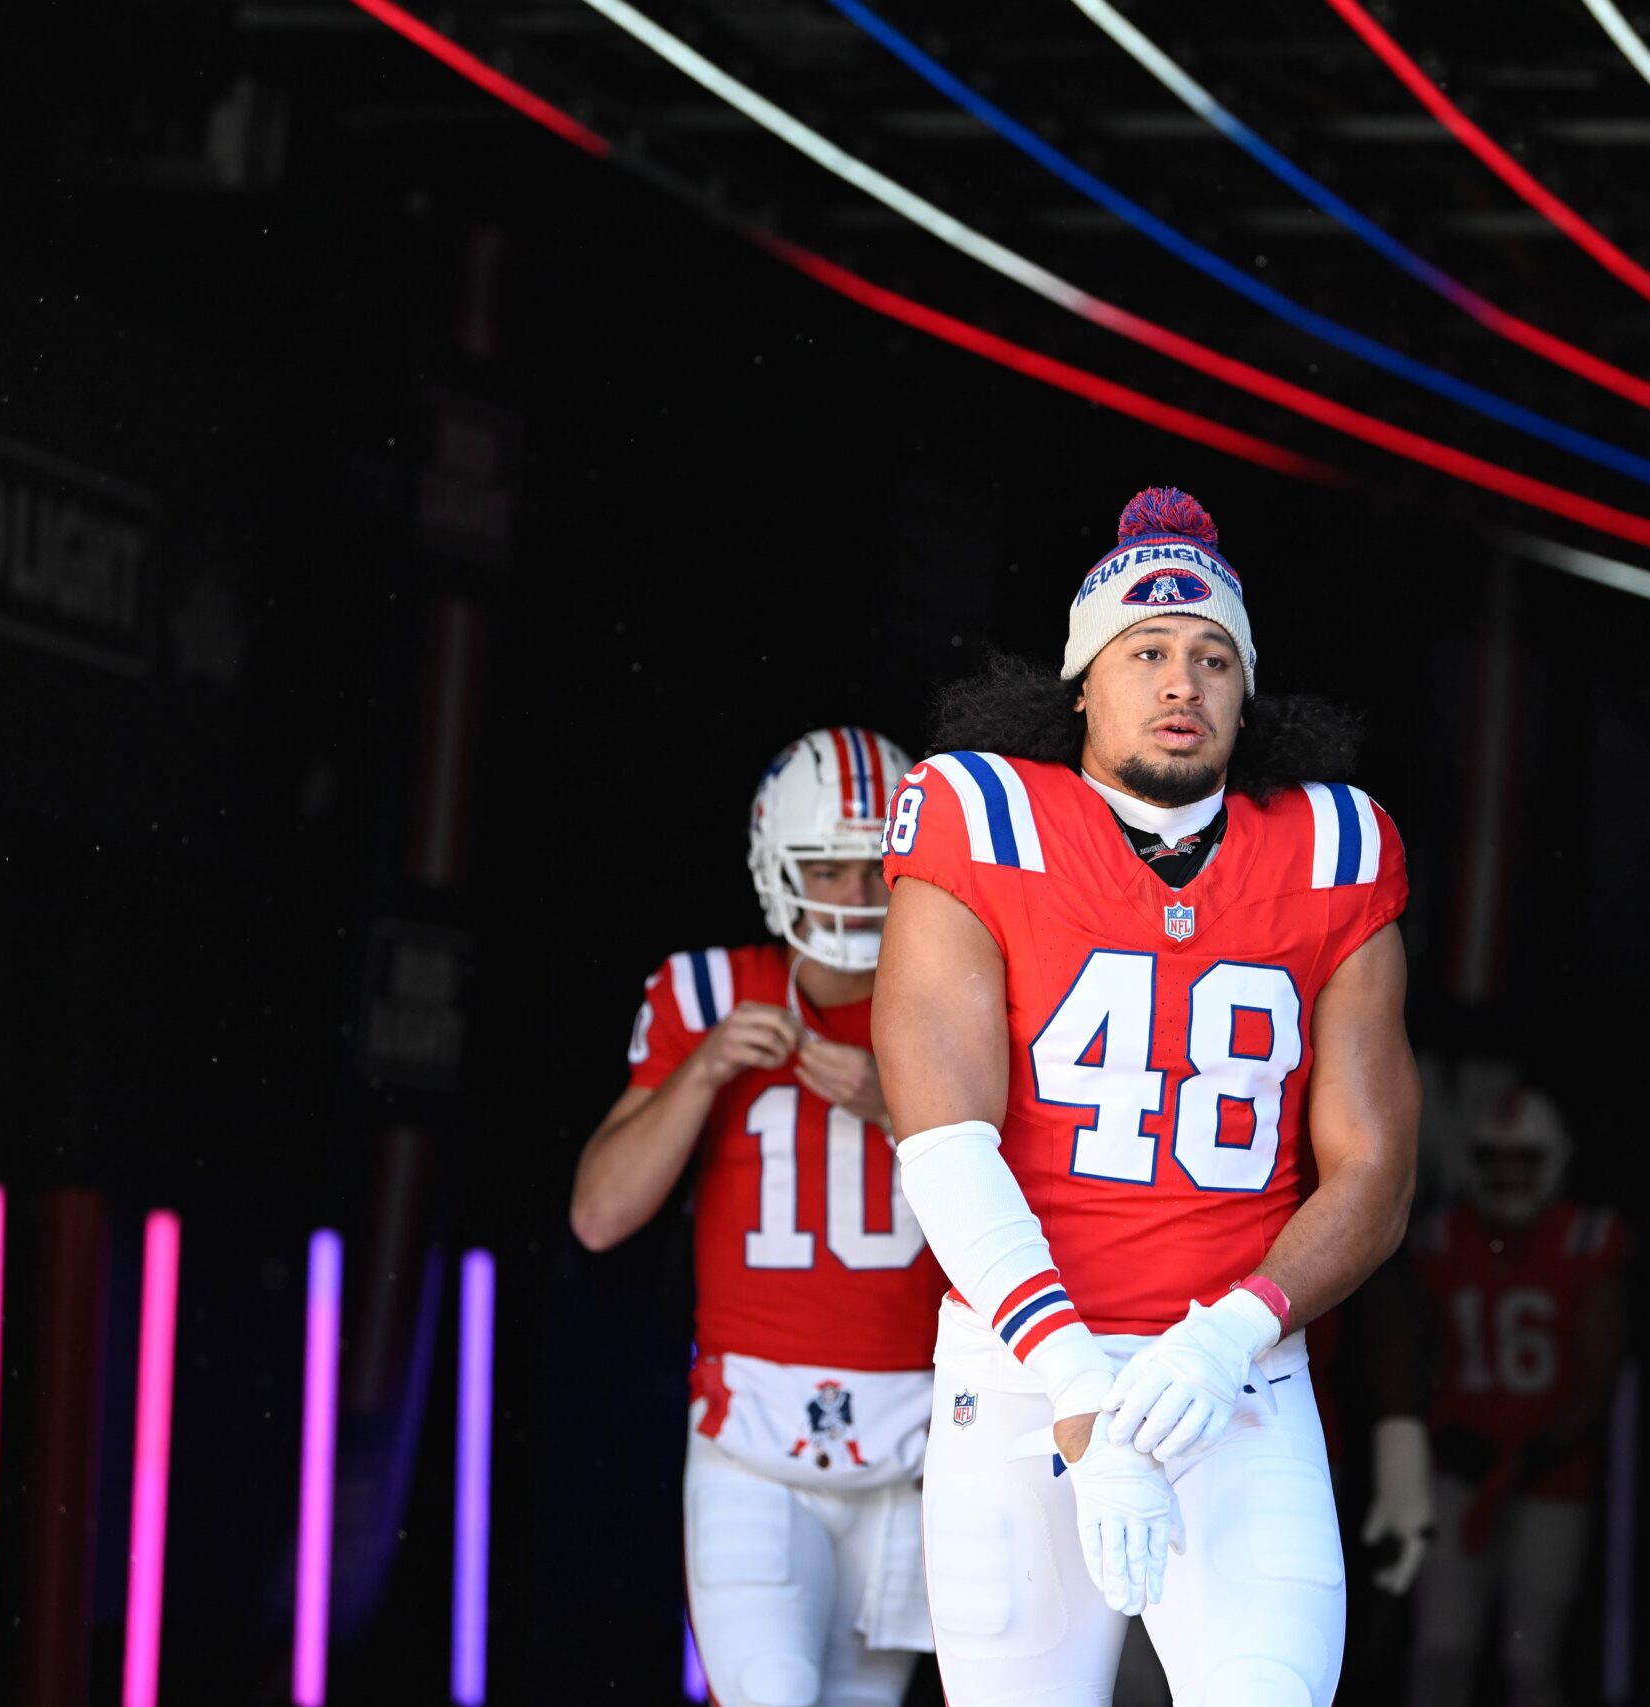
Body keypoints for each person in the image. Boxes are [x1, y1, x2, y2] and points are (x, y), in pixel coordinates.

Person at [870, 487, 1421, 1706]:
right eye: (1150, 651)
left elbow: (1375, 1175)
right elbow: (944, 1140)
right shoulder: (978, 813)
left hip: (1235, 1382)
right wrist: (1076, 1385)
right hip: (1022, 1377)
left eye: (1215, 658)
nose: (1184, 681)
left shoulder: (1334, 846)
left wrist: (1230, 1332)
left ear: (1246, 688)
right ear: (1083, 681)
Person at [570, 727, 945, 1707]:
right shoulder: (704, 994)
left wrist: (902, 1108)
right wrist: (701, 1073)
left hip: (920, 1441)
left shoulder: (959, 1003)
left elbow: (1046, 1201)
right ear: (776, 865)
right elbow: (599, 1215)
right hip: (750, 1433)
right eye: (829, 867)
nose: (857, 898)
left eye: (876, 871)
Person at [1406, 1088, 1628, 1707]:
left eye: (1522, 1161)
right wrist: (1437, 1431)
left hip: (1551, 1475)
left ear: (1551, 1161)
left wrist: (1536, 1452)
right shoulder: (1442, 1238)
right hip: (1460, 1467)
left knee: (1529, 1658)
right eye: (1495, 1160)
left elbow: (1599, 1372)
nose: (1507, 1175)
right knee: (1442, 1648)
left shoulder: (1584, 1241)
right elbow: (1411, 1350)